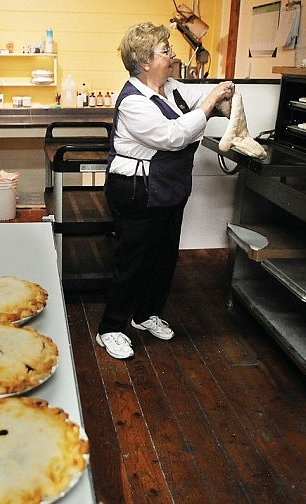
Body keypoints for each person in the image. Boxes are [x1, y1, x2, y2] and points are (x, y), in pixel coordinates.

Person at [96, 21, 235, 359]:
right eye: (165, 51)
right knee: (133, 260)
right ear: (144, 61)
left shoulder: (171, 88)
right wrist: (211, 102)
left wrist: (219, 95)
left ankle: (144, 315)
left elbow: (200, 100)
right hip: (135, 190)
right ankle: (110, 328)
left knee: (163, 257)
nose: (172, 56)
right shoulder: (133, 101)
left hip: (170, 188)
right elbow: (171, 137)